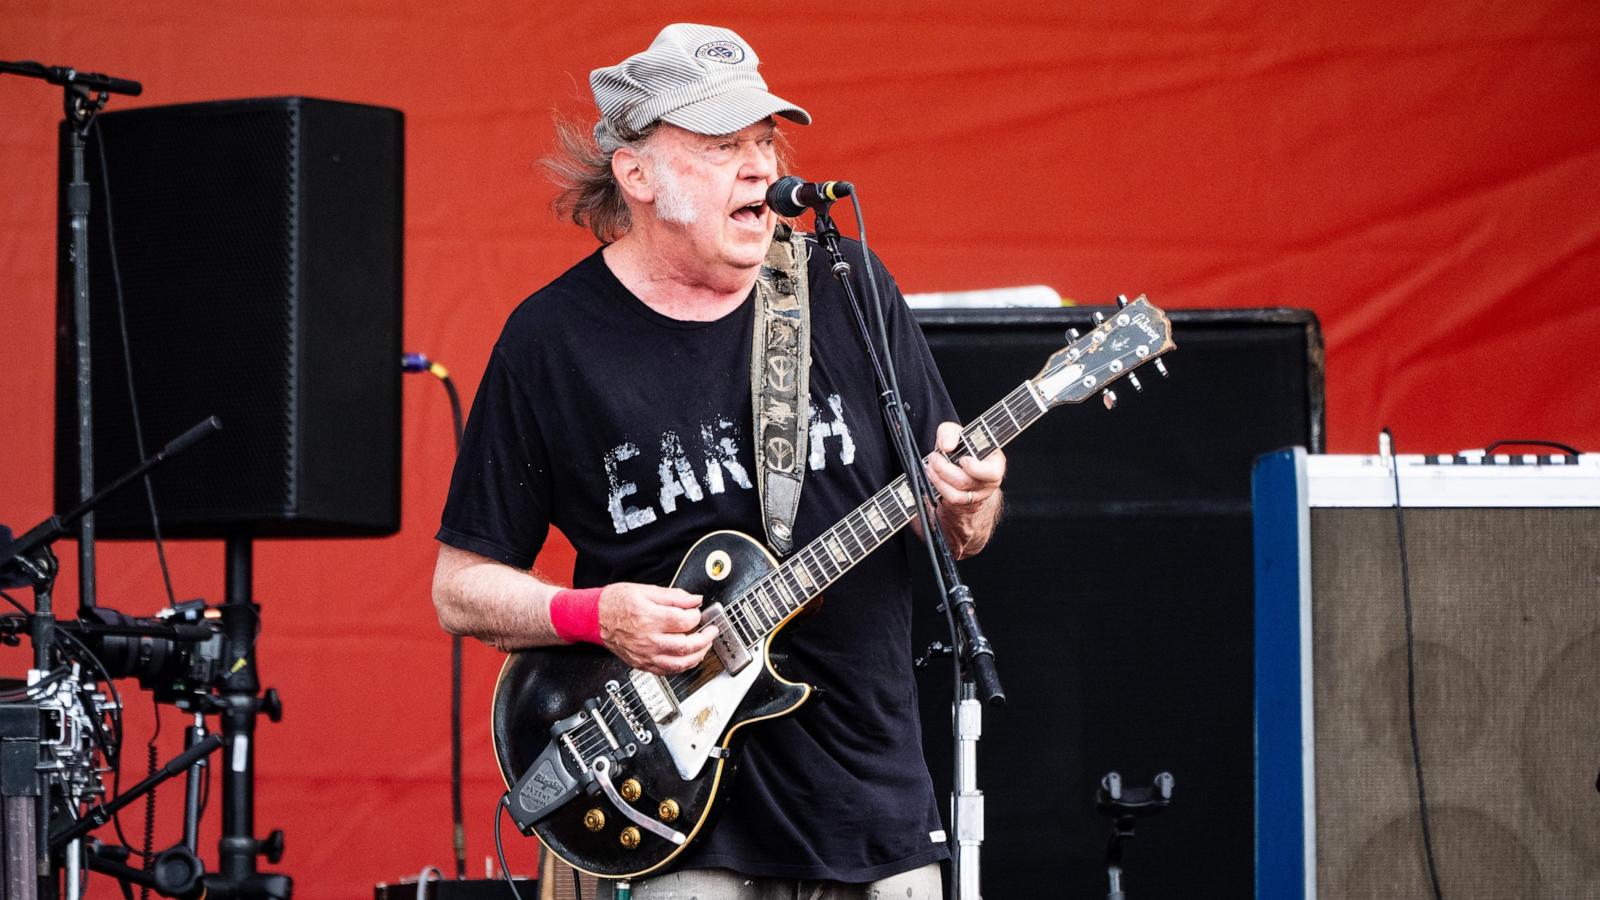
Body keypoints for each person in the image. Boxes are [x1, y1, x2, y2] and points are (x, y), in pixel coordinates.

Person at [431, 23, 1006, 900]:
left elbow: (956, 531)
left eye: (765, 140)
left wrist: (971, 500)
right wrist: (596, 615)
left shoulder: (845, 285)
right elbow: (459, 587)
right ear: (638, 174)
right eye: (721, 145)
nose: (761, 168)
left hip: (870, 803)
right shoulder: (552, 341)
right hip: (668, 814)